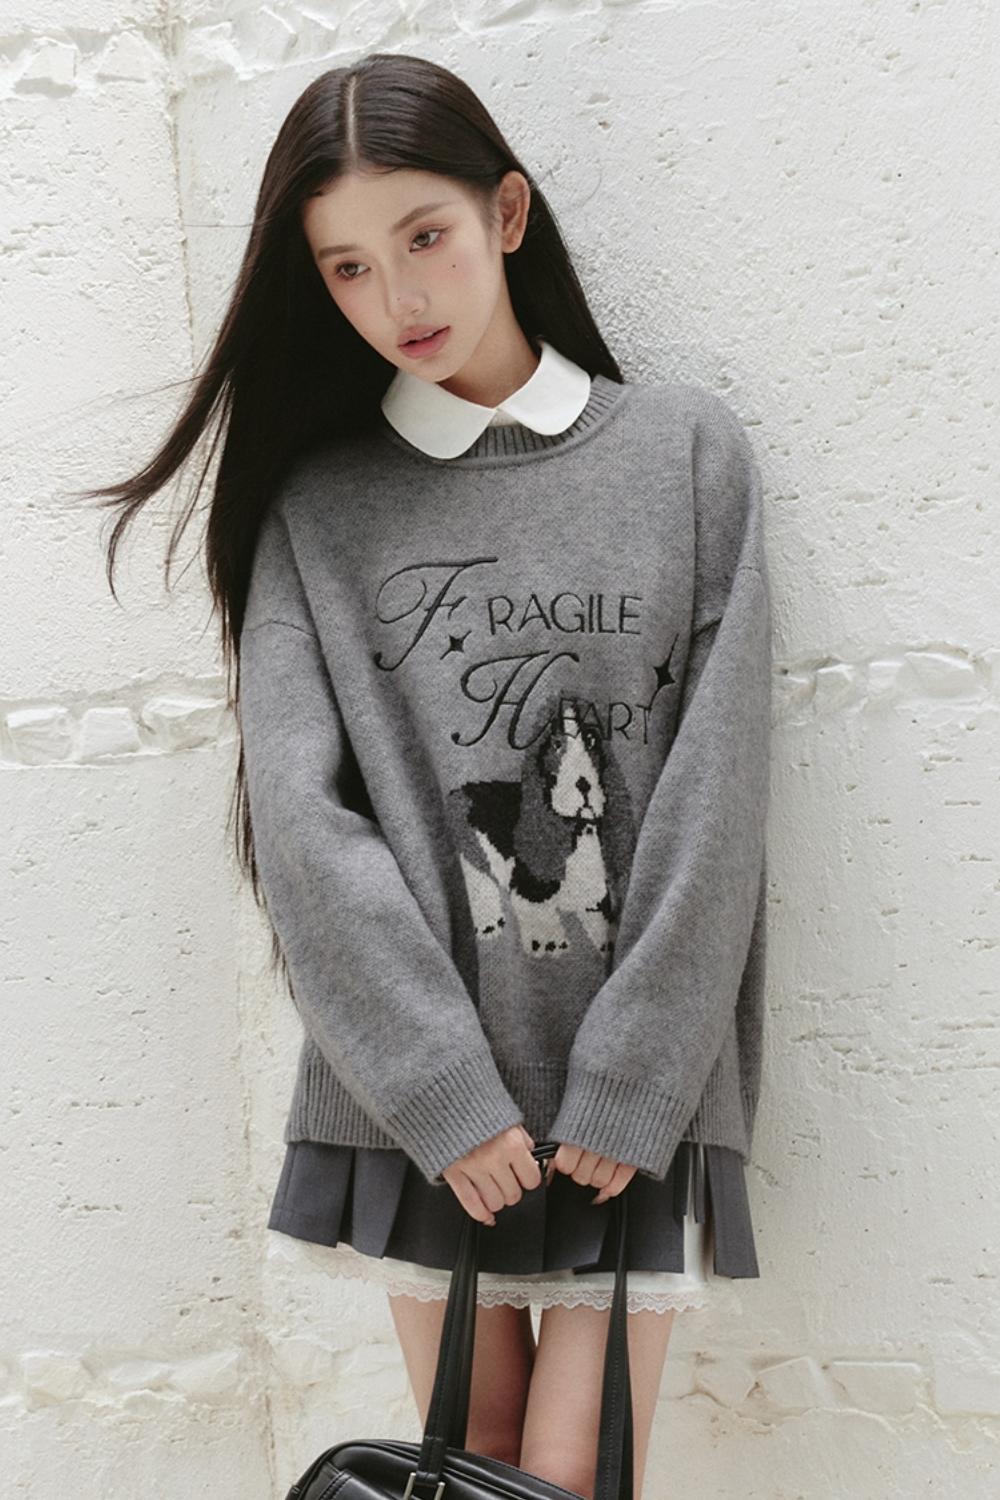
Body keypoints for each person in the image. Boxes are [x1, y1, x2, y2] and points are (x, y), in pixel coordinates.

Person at [82, 52, 772, 1500]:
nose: (397, 297)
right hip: (419, 1089)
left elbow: (719, 796)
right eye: (346, 266)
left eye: (425, 236)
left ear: (506, 215)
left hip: (628, 1085)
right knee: (475, 1466)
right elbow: (304, 823)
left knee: (568, 1474)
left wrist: (639, 1074)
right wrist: (439, 1091)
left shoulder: (687, 456)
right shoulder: (319, 507)